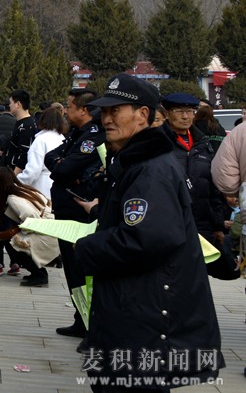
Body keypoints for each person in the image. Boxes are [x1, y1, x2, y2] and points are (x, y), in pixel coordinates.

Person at [74, 74, 224, 392]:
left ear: (143, 115)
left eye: (116, 110)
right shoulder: (132, 162)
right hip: (133, 312)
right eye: (104, 111)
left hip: (147, 318)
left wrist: (86, 247)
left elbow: (147, 238)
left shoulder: (150, 169)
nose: (106, 118)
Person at [44, 87, 104, 340]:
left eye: (69, 107)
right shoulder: (77, 134)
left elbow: (64, 168)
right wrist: (61, 167)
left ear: (84, 110)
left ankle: (90, 322)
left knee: (82, 268)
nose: (65, 111)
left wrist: (62, 168)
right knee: (72, 268)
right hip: (66, 207)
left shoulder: (93, 136)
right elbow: (51, 158)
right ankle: (81, 318)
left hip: (80, 212)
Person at [160, 93, 228, 247]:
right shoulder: (158, 142)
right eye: (179, 111)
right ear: (167, 114)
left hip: (203, 224)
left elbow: (213, 187)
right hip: (170, 224)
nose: (185, 116)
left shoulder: (202, 142)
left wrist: (218, 225)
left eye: (190, 111)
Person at [0, 167, 59, 287]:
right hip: (50, 227)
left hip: (45, 231)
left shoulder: (12, 198)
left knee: (14, 245)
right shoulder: (23, 189)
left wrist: (21, 232)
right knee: (12, 240)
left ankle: (40, 275)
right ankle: (38, 273)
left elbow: (32, 218)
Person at [16, 106, 67, 201]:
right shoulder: (62, 138)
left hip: (41, 189)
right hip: (57, 188)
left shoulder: (40, 140)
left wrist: (18, 182)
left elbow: (33, 169)